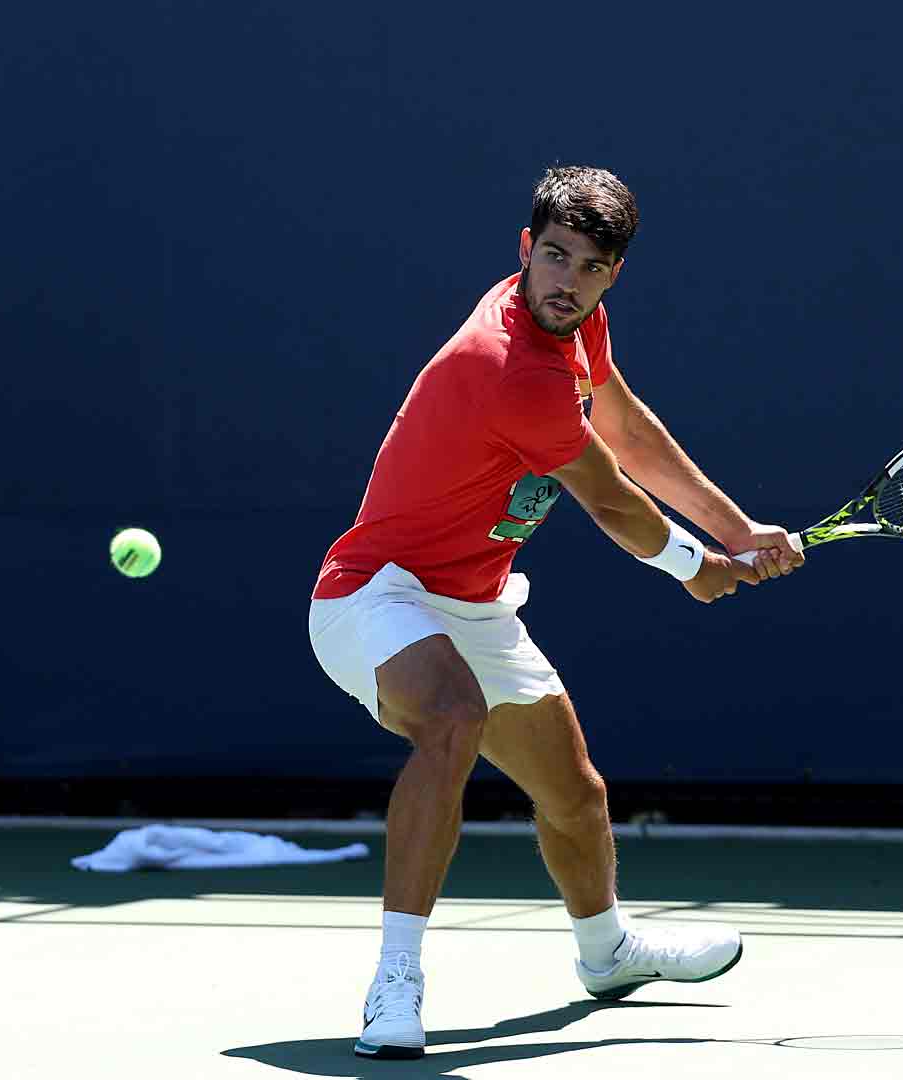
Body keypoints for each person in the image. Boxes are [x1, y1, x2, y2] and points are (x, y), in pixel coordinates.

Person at [307, 166, 804, 1059]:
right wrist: (697, 565)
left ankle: (608, 953)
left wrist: (737, 528)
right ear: (525, 249)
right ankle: (394, 980)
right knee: (453, 719)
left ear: (613, 274)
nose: (567, 281)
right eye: (555, 257)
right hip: (373, 592)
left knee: (574, 794)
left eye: (591, 266)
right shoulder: (507, 365)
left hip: (475, 600)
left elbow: (625, 426)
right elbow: (610, 499)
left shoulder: (577, 324)